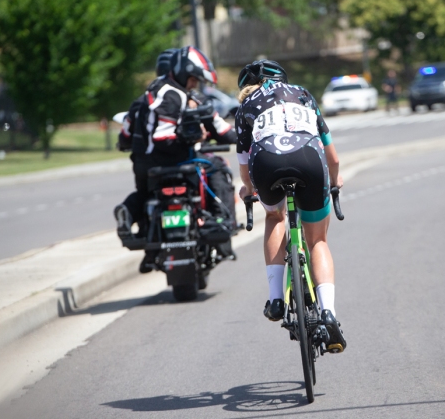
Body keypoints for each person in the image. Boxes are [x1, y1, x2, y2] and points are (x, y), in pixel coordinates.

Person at [234, 59, 347, 353]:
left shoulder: (246, 107)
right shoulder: (303, 94)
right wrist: (335, 181)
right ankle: (329, 313)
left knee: (274, 215)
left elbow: (245, 168)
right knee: (318, 240)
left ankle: (275, 298)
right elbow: (332, 158)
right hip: (308, 158)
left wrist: (248, 189)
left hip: (267, 162)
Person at [114, 46, 237, 272]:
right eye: (193, 79)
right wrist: (200, 136)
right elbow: (219, 130)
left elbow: (126, 134)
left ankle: (132, 220)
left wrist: (125, 143)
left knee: (143, 196)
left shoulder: (145, 97)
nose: (195, 84)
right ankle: (221, 222)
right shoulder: (182, 97)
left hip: (144, 165)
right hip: (177, 161)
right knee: (218, 167)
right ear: (180, 73)